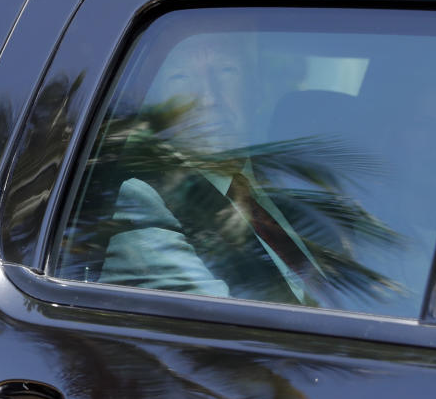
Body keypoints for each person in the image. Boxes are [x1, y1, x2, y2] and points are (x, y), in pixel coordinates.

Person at [96, 31, 323, 305]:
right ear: (157, 106)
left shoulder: (291, 181)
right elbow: (236, 331)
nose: (208, 97)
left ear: (257, 91)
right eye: (180, 77)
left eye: (226, 71)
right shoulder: (144, 200)